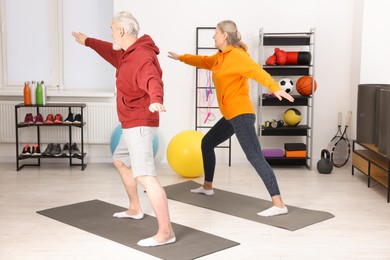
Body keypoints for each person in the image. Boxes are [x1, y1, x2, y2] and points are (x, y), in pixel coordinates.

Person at [168, 20, 294, 217]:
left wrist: (275, 88)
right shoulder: (219, 58)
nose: (213, 36)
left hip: (241, 114)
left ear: (224, 35)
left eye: (216, 33)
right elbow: (202, 61)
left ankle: (279, 204)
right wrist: (181, 57)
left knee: (254, 156)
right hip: (230, 115)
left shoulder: (237, 56)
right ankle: (208, 187)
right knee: (207, 143)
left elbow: (257, 72)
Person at [72, 11, 175, 247]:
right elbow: (109, 50)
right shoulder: (126, 54)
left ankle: (166, 232)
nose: (110, 32)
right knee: (120, 160)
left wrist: (156, 98)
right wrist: (87, 41)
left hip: (139, 122)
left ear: (121, 31)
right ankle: (135, 208)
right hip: (130, 122)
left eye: (111, 28)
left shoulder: (141, 57)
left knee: (146, 176)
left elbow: (152, 79)